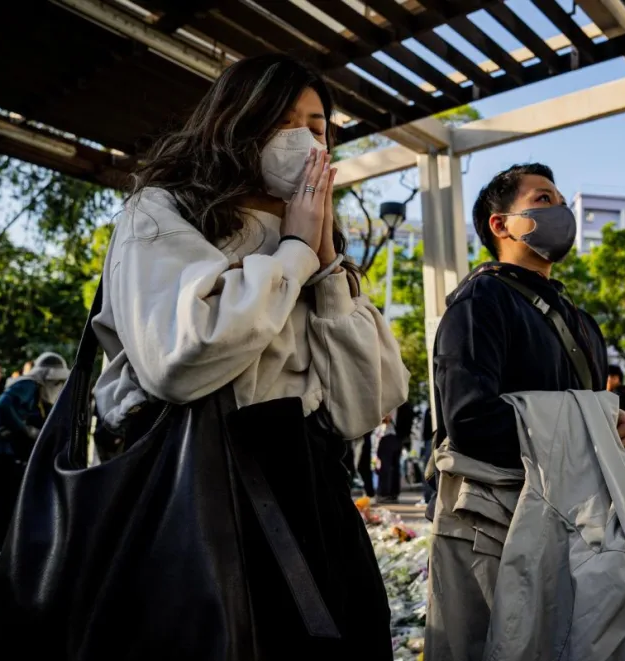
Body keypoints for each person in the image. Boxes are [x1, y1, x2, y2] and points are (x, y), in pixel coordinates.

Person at [91, 54, 408, 657]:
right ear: (237, 121)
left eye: (318, 127)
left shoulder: (321, 246)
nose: (307, 141)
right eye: (284, 121)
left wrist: (328, 267)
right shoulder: (162, 212)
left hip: (305, 487)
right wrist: (291, 251)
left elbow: (364, 406)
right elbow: (180, 361)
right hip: (191, 486)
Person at [426, 163, 625, 660]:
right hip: (500, 528)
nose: (559, 210)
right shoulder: (480, 303)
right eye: (542, 199)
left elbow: (584, 412)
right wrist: (588, 428)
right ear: (501, 225)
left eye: (559, 200)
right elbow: (470, 422)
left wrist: (611, 423)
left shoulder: (581, 321)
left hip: (576, 524)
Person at [0, 352, 68, 565]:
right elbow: (3, 407)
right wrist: (26, 431)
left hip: (6, 457)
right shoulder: (28, 385)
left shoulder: (39, 395)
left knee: (9, 504)